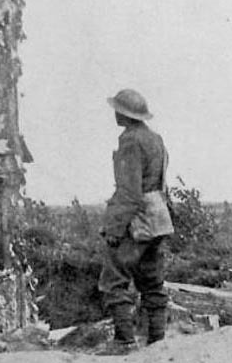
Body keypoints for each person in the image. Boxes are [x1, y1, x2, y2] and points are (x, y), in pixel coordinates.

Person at [98, 88, 172, 355]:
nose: (115, 115)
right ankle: (158, 344)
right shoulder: (155, 138)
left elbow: (129, 191)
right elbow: (159, 181)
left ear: (124, 114)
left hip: (137, 219)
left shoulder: (130, 140)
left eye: (118, 110)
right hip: (158, 217)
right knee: (152, 282)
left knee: (114, 279)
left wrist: (115, 229)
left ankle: (124, 343)